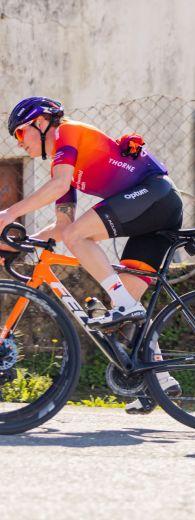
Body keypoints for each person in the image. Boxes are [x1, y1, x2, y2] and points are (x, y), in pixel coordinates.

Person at [2, 96, 183, 413]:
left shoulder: (68, 132)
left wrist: (9, 214)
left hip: (156, 196)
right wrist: (20, 243)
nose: (19, 143)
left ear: (41, 123)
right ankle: (161, 382)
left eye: (20, 133)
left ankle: (125, 305)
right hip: (151, 216)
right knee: (126, 306)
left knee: (83, 244)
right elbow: (62, 227)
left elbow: (60, 190)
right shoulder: (63, 165)